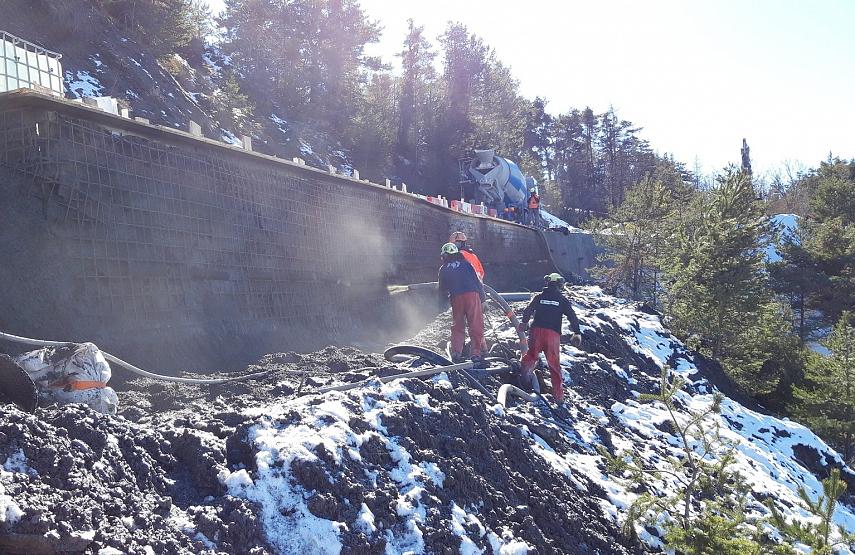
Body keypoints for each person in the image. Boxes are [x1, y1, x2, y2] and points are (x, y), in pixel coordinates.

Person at [517, 273, 581, 405]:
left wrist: (524, 323)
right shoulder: (562, 300)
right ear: (559, 284)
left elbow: (527, 310)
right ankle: (558, 396)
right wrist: (577, 332)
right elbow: (572, 316)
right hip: (553, 335)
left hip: (536, 331)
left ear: (548, 283)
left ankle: (523, 381)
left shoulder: (539, 297)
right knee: (554, 365)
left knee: (531, 356)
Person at [437, 243, 487, 367]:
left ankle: (456, 352)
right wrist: (483, 299)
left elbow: (442, 289)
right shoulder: (466, 264)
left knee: (458, 324)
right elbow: (478, 282)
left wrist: (442, 304)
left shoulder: (443, 268)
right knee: (475, 323)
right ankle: (476, 353)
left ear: (445, 255)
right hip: (472, 295)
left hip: (456, 297)